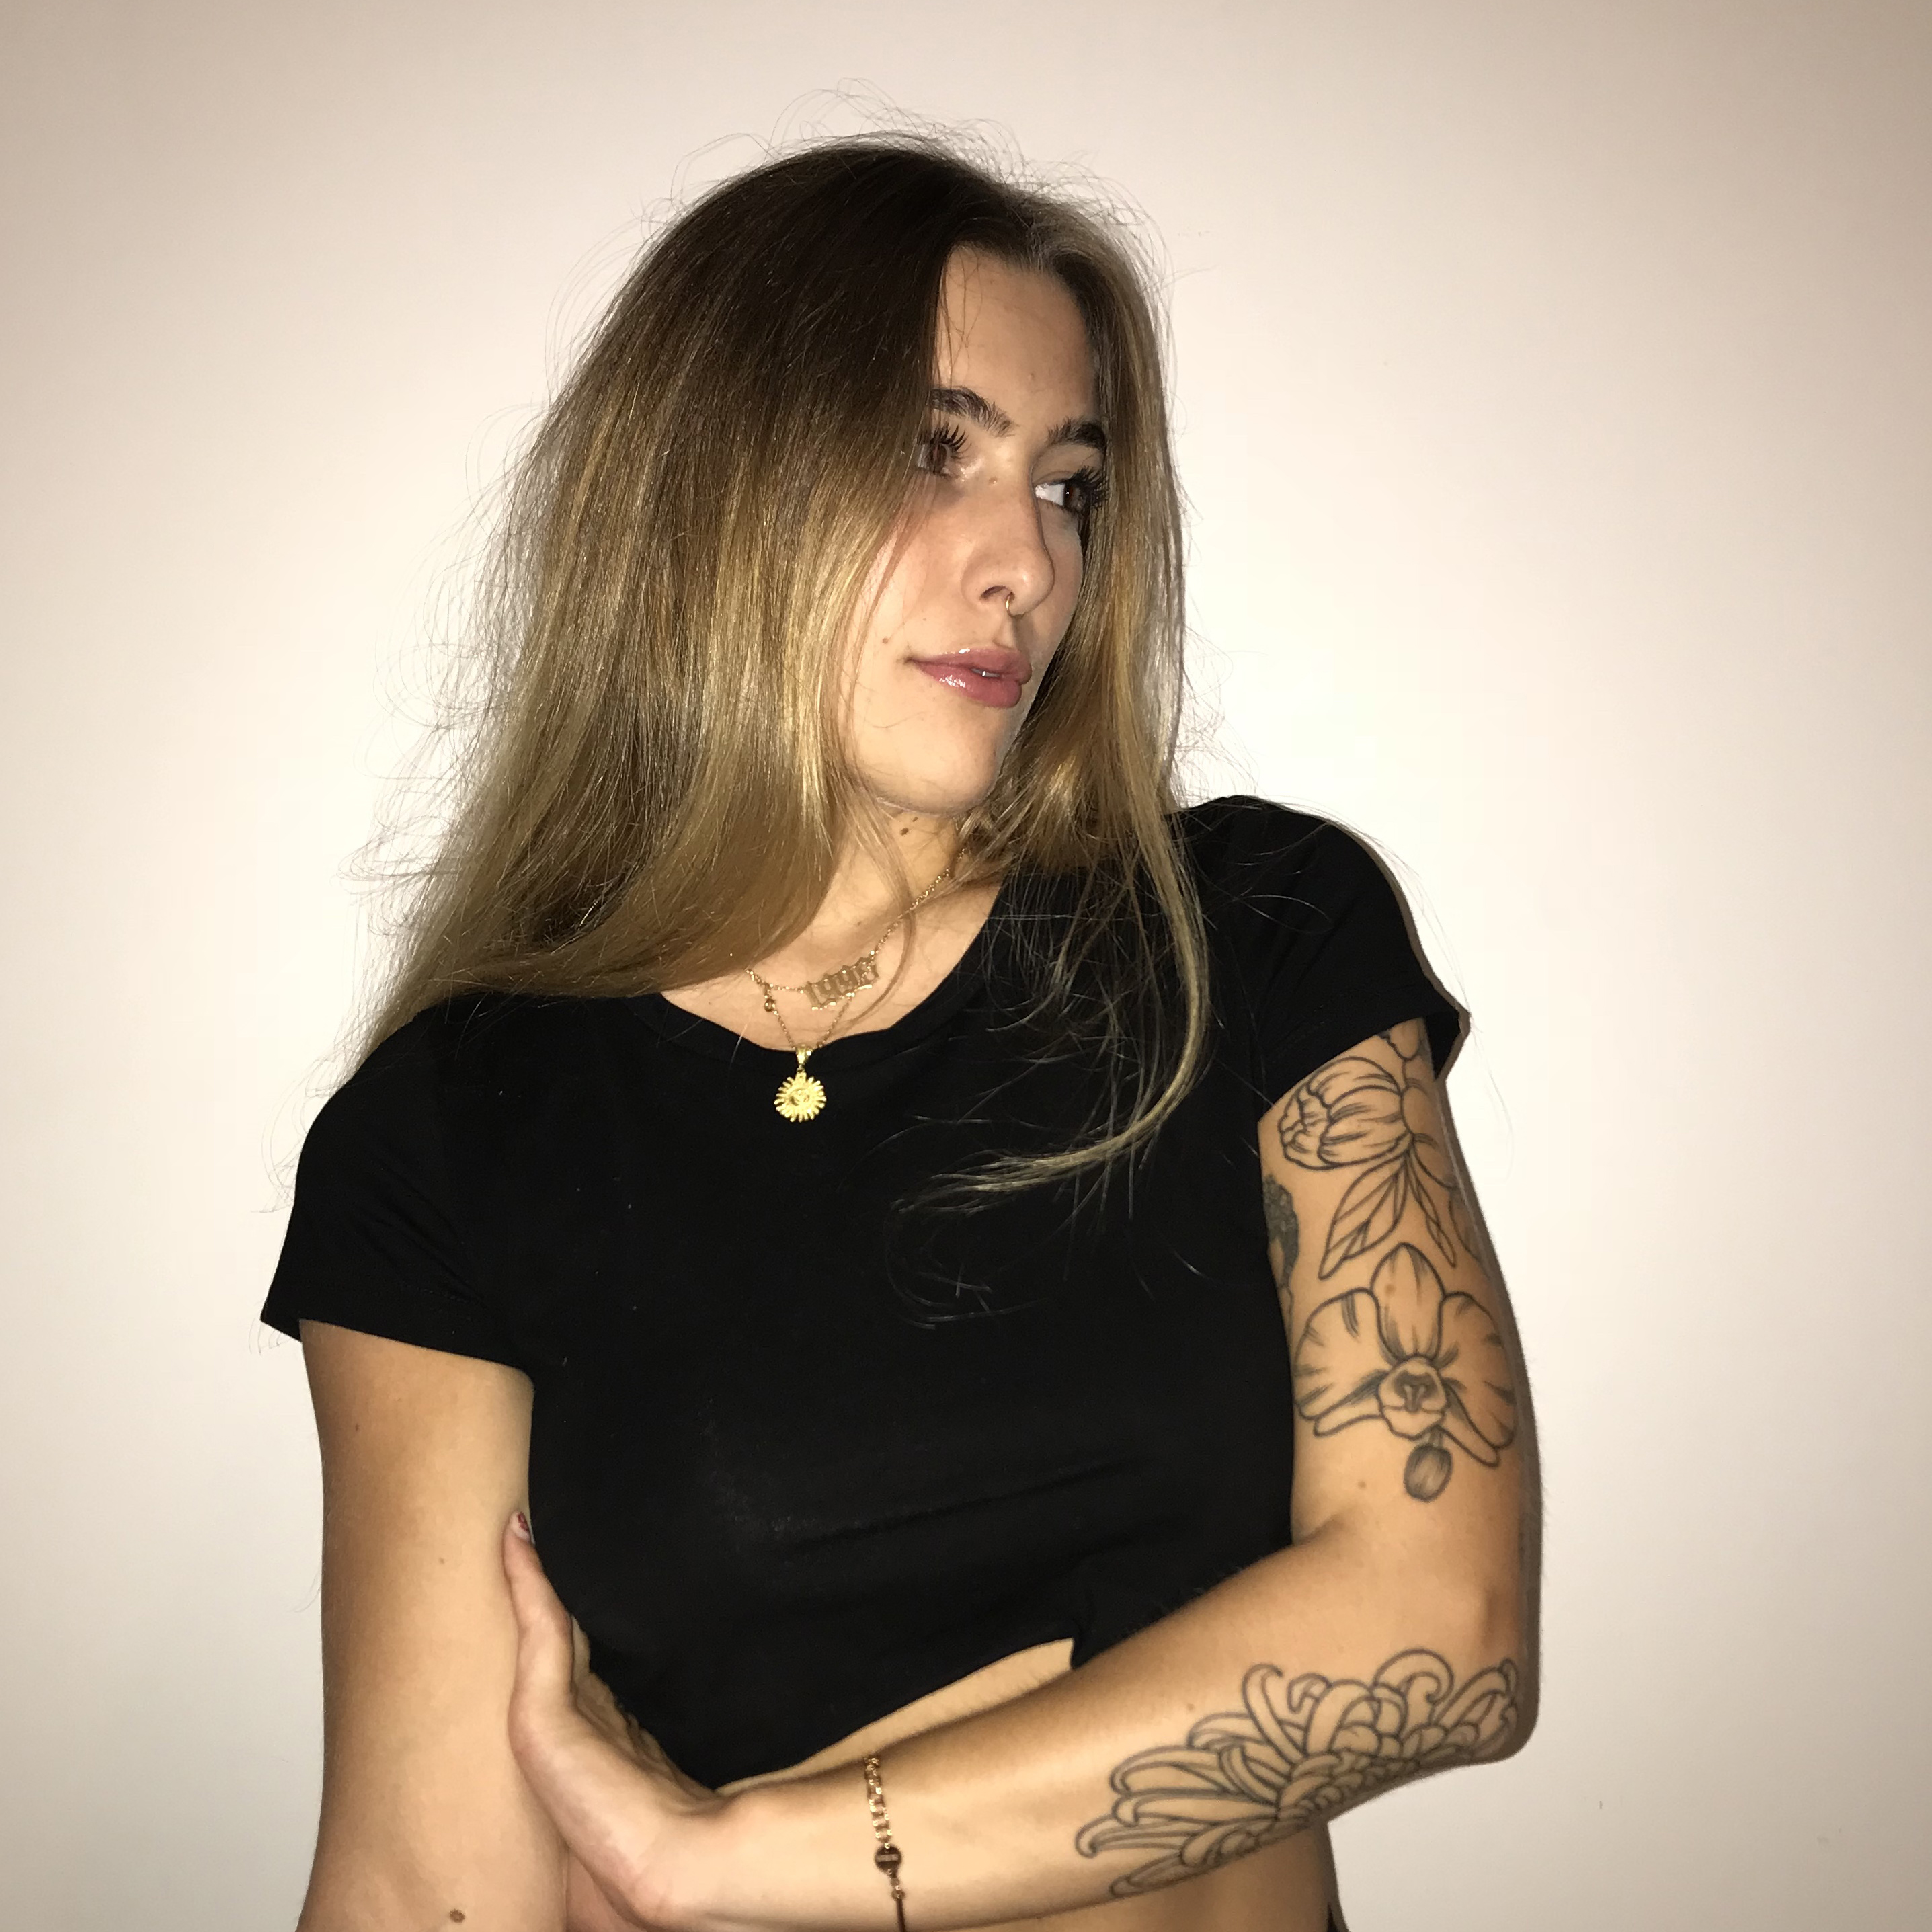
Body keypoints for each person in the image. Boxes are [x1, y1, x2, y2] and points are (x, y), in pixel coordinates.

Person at [264, 135, 1537, 1932]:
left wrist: (729, 1856)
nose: (1026, 559)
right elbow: (422, 1882)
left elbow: (1445, 1629)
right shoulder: (461, 1125)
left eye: (1069, 484)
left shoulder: (1248, 931)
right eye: (928, 452)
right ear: (709, 490)